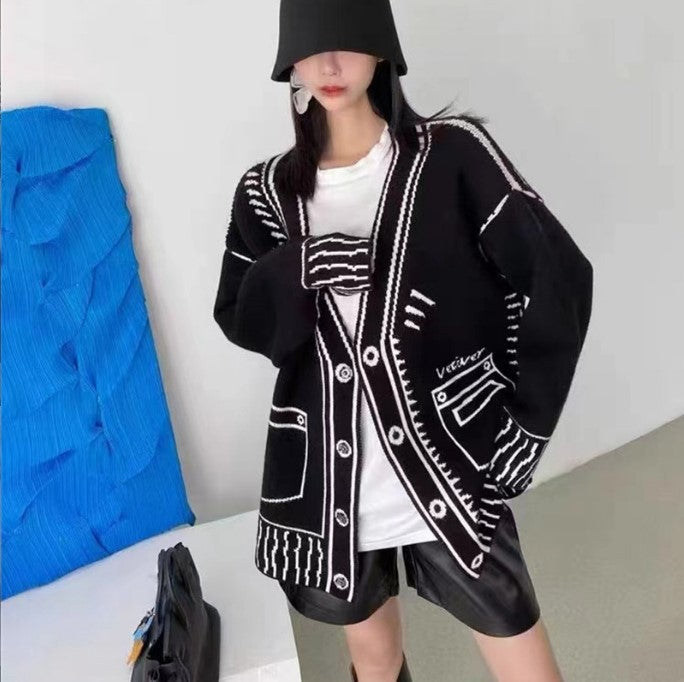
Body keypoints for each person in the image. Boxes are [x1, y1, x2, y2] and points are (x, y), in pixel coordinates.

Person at [213, 2, 593, 681]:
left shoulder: (452, 155)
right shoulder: (266, 193)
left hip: (450, 467)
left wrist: (525, 425)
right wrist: (299, 269)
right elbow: (240, 318)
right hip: (333, 494)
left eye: (346, 41)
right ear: (289, 60)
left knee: (527, 663)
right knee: (375, 661)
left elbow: (557, 277)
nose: (329, 65)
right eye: (310, 47)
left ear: (380, 45)